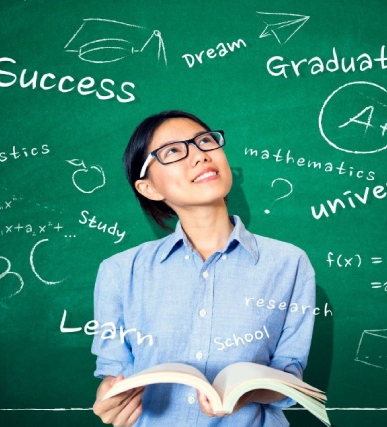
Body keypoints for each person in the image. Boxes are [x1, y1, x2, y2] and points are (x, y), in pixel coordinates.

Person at [91, 110, 316, 426]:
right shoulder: (120, 271)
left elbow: (289, 372)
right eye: (172, 151)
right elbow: (115, 369)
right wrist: (110, 399)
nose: (199, 156)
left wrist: (247, 392)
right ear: (150, 189)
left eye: (205, 141)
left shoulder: (289, 263)